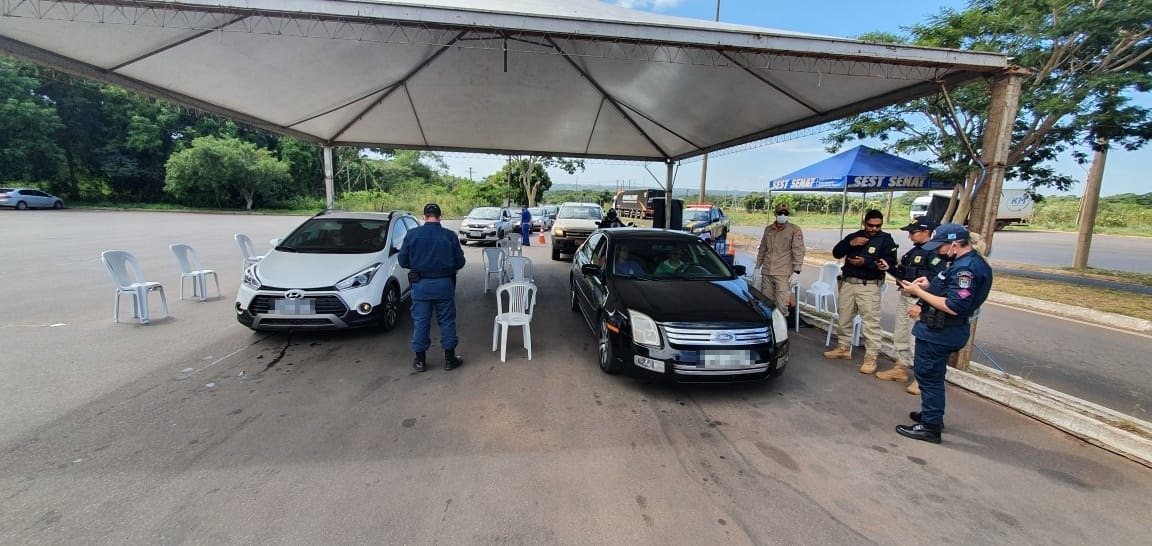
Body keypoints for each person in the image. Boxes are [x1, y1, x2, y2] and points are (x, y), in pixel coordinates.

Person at [894, 223, 992, 443]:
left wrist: (918, 292)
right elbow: (947, 285)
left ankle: (930, 428)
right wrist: (928, 284)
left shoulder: (966, 269)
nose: (937, 250)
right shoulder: (963, 262)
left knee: (929, 377)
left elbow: (954, 305)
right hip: (940, 330)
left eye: (941, 246)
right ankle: (932, 416)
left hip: (941, 331)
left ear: (955, 245)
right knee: (932, 377)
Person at [875, 216, 947, 394]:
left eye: (913, 232)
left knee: (916, 340)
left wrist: (921, 304)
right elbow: (904, 274)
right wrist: (889, 268)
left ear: (926, 232)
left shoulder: (936, 254)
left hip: (921, 301)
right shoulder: (915, 251)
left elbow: (938, 283)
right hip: (906, 297)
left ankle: (922, 379)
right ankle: (900, 368)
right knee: (901, 335)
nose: (910, 236)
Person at [824, 209, 898, 374]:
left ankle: (871, 357)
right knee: (844, 316)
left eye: (877, 226)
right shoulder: (854, 236)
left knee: (870, 322)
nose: (874, 229)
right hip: (849, 282)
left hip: (869, 284)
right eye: (871, 225)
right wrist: (850, 244)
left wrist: (866, 262)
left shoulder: (886, 240)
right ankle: (843, 347)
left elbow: (890, 264)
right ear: (864, 223)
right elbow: (837, 252)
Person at [398, 203, 467, 372]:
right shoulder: (449, 236)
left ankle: (420, 361)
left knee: (421, 322)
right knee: (447, 321)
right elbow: (460, 262)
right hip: (444, 285)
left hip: (420, 286)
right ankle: (450, 360)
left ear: (424, 217)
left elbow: (403, 261)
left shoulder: (412, 235)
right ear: (440, 217)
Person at [755, 202, 806, 322]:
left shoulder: (794, 230)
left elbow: (799, 251)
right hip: (767, 271)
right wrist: (757, 267)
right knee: (766, 303)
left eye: (786, 213)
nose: (783, 215)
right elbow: (763, 249)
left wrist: (796, 271)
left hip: (783, 273)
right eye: (780, 213)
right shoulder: (769, 230)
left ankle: (781, 332)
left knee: (781, 304)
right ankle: (769, 329)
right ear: (775, 214)